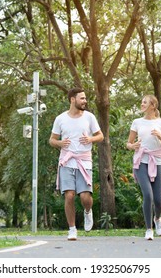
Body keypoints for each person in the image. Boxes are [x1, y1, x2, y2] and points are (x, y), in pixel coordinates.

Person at [49, 87, 104, 241]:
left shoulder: (89, 117)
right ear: (73, 99)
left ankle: (88, 211)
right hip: (66, 161)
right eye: (82, 98)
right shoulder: (60, 119)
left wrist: (90, 139)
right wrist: (59, 142)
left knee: (85, 197)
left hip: (84, 161)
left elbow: (101, 136)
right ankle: (72, 229)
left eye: (85, 98)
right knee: (69, 195)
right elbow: (51, 140)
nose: (85, 101)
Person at [126, 95, 161, 240]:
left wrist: (160, 137)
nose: (142, 104)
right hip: (141, 161)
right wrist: (132, 146)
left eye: (145, 102)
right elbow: (128, 143)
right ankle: (148, 229)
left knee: (158, 201)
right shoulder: (136, 122)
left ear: (153, 105)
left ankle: (157, 219)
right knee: (148, 195)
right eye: (142, 102)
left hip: (157, 161)